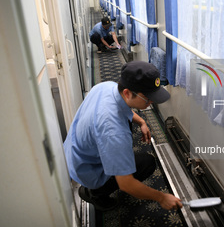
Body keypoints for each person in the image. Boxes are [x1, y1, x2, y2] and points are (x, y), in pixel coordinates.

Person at [63, 61, 182, 211]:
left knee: (124, 137)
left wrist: (141, 121)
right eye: (148, 99)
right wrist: (161, 197)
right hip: (86, 170)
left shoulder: (106, 87)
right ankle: (94, 192)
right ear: (127, 93)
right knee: (147, 163)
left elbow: (120, 106)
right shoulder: (114, 131)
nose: (151, 103)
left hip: (73, 152)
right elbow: (127, 184)